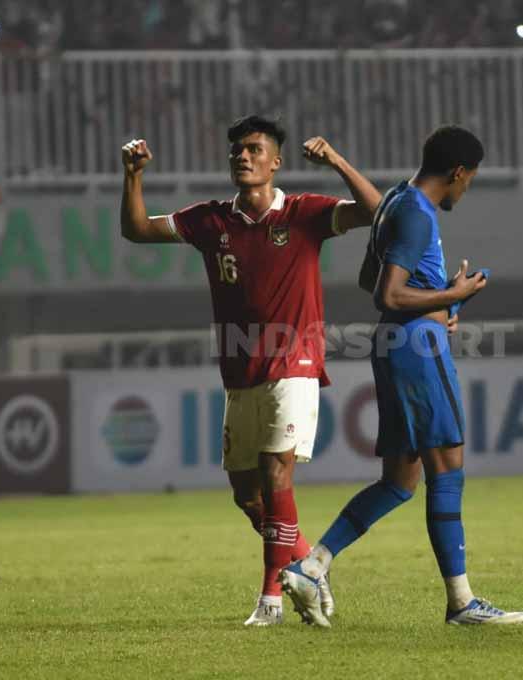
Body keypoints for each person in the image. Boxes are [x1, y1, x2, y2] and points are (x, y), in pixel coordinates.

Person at [119, 115, 382, 626]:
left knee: (274, 473)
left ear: (276, 161)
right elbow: (137, 230)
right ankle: (309, 567)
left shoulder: (304, 214)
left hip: (296, 364)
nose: (243, 156)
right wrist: (133, 175)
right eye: (237, 149)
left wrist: (335, 161)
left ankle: (271, 600)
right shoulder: (209, 220)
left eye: (255, 149)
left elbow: (376, 211)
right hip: (240, 374)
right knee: (247, 494)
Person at [280, 125, 523, 626]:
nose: (466, 190)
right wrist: (452, 296)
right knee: (447, 463)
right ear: (458, 172)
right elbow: (388, 295)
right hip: (417, 350)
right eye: (469, 181)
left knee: (399, 480)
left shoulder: (397, 200)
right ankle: (461, 603)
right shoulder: (417, 214)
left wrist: (438, 299)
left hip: (398, 346)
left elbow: (370, 277)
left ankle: (314, 565)